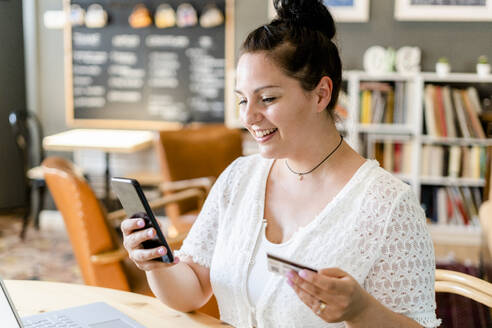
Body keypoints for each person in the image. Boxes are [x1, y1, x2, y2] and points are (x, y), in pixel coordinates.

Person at [121, 0, 441, 327]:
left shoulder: (388, 206)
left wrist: (361, 311)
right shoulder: (238, 179)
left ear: (321, 94)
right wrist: (156, 264)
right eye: (243, 99)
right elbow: (192, 289)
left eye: (268, 98)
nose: (247, 116)